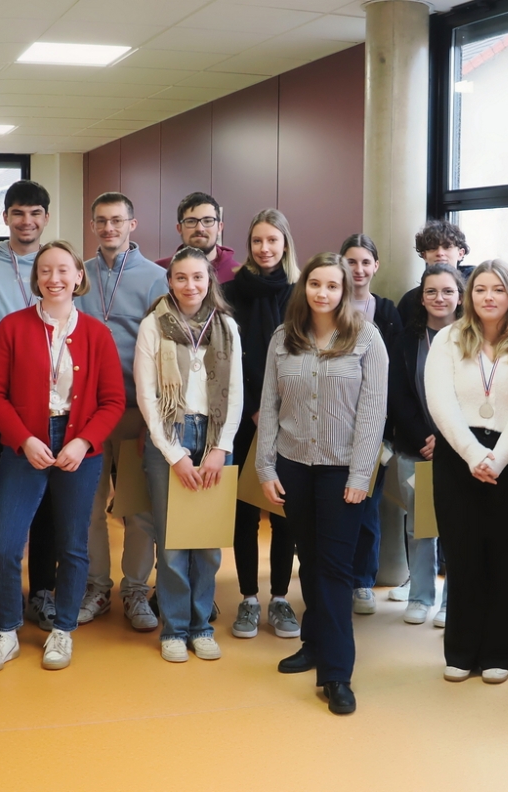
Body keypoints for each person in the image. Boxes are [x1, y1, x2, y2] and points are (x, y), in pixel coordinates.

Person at [0, 241, 124, 674]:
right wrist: (22, 439)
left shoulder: (97, 333)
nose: (54, 279)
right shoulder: (13, 327)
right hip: (25, 446)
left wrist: (83, 442)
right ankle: (5, 630)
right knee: (3, 545)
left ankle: (63, 628)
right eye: (45, 271)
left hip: (80, 445)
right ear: (34, 278)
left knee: (73, 545)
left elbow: (113, 401)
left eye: (63, 270)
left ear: (79, 276)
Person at [257, 253, 387, 715]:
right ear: (304, 287)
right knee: (308, 559)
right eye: (315, 284)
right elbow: (269, 406)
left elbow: (373, 414)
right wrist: (265, 467)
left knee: (334, 568)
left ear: (346, 289)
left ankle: (336, 672)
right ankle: (312, 642)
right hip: (293, 466)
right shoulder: (283, 338)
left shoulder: (366, 339)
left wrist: (360, 475)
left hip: (341, 472)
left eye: (333, 286)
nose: (323, 293)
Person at [426, 259, 508, 685]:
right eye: (479, 290)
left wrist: (498, 457)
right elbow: (440, 401)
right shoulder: (449, 339)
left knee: (506, 558)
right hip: (458, 455)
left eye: (497, 289)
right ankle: (460, 650)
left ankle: (498, 653)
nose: (488, 297)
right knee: (463, 553)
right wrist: (474, 454)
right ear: (469, 296)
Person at [134, 248, 242, 663]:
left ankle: (202, 626)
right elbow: (147, 396)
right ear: (170, 282)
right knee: (174, 543)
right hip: (170, 438)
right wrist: (175, 454)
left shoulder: (227, 326)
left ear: (209, 280)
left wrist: (220, 449)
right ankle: (175, 629)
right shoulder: (153, 327)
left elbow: (236, 394)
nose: (190, 286)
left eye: (198, 277)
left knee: (208, 543)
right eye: (181, 278)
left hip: (215, 439)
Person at [0, 180, 63, 631]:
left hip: (53, 404)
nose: (27, 221)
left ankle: (42, 588)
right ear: (5, 217)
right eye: (18, 213)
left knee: (47, 501)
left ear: (45, 218)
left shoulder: (56, 265)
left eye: (36, 213)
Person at [77, 191, 168, 630]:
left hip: (137, 412)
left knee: (138, 509)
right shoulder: (81, 276)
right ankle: (97, 586)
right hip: (90, 415)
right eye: (101, 221)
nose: (108, 228)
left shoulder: (156, 278)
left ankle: (135, 590)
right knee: (90, 507)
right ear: (92, 225)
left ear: (132, 224)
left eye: (117, 220)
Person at [218, 208, 298, 641]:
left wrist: (279, 414)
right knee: (244, 513)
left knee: (285, 513)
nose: (265, 248)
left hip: (290, 424)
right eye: (257, 241)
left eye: (273, 240)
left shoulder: (301, 294)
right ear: (247, 247)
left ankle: (281, 598)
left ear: (285, 243)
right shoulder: (228, 293)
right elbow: (226, 361)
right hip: (242, 419)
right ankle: (248, 599)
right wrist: (253, 408)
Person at [385, 264, 463, 627]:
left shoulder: (472, 338)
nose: (439, 298)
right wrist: (424, 438)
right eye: (431, 291)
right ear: (421, 296)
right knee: (419, 527)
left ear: (459, 296)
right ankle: (420, 596)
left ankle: (452, 603)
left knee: (457, 529)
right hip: (417, 448)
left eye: (447, 291)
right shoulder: (407, 339)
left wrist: (450, 441)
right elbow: (398, 397)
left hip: (462, 451)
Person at [339, 234, 404, 615]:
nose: (359, 269)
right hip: (332, 427)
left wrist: (389, 434)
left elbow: (394, 378)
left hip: (375, 429)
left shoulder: (389, 312)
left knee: (366, 506)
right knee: (332, 506)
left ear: (376, 267)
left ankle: (362, 582)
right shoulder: (328, 305)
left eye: (366, 262)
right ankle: (334, 576)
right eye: (351, 261)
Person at [397, 219, 474, 331]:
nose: (440, 253)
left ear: (460, 254)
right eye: (433, 248)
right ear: (424, 256)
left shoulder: (476, 293)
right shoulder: (410, 300)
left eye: (447, 247)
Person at [156, 192, 242, 284]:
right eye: (191, 221)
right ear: (179, 228)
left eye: (208, 221)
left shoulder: (240, 275)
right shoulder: (159, 271)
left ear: (220, 227)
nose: (200, 228)